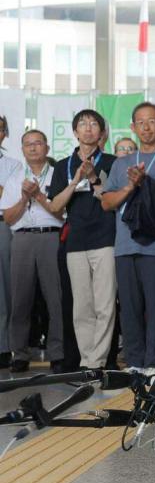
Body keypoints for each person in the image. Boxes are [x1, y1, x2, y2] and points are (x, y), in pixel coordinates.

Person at [101, 102, 155, 375]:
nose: (146, 127)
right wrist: (131, 185)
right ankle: (134, 362)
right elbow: (106, 203)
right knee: (129, 307)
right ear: (133, 127)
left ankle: (154, 363)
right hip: (125, 245)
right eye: (140, 122)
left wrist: (148, 185)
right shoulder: (121, 163)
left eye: (152, 121)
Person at [47, 110, 118, 370]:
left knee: (105, 304)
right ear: (75, 132)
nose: (88, 128)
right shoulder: (62, 165)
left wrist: (92, 177)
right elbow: (55, 206)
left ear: (101, 132)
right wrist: (76, 179)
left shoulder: (111, 161)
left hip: (105, 238)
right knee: (82, 306)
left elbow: (109, 201)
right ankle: (87, 361)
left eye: (94, 124)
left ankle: (98, 362)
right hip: (75, 240)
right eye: (82, 124)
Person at [0, 130, 65, 373]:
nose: (33, 148)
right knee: (20, 299)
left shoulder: (58, 174)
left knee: (55, 298)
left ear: (47, 148)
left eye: (38, 143)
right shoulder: (16, 177)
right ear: (22, 149)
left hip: (51, 237)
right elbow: (8, 218)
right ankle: (20, 353)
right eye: (28, 144)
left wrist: (39, 196)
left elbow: (62, 213)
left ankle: (57, 353)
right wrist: (24, 198)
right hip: (23, 239)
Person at [0, 115, 21, 369]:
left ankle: (3, 346)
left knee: (3, 289)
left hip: (2, 225)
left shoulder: (13, 165)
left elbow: (9, 195)